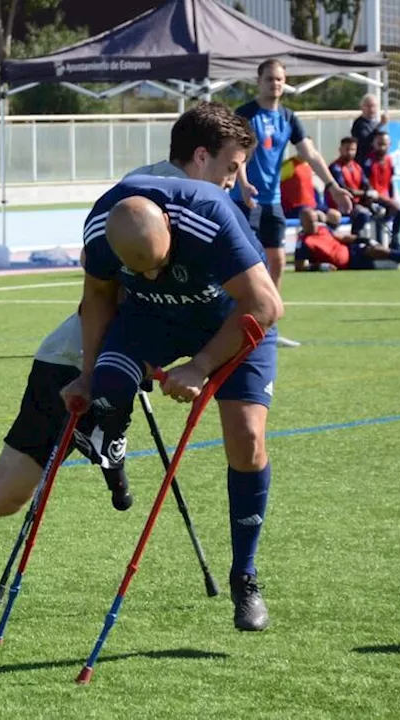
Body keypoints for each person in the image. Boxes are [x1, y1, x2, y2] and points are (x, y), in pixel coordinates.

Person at [0, 102, 258, 638]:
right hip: (74, 362)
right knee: (7, 490)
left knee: (4, 492)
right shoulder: (154, 203)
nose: (234, 183)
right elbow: (111, 301)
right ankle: (107, 443)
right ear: (201, 157)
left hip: (86, 356)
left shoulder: (161, 189)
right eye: (230, 170)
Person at [67, 175, 283, 633]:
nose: (148, 274)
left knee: (246, 438)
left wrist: (201, 366)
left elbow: (265, 304)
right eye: (138, 269)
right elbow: (98, 297)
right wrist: (86, 376)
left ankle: (244, 575)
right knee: (106, 386)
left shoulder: (208, 217)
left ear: (169, 225)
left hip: (231, 318)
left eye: (157, 264)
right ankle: (112, 437)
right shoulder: (101, 227)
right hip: (153, 318)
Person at [233, 58, 352, 349]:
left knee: (276, 262)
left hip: (272, 203)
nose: (275, 84)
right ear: (258, 81)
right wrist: (243, 184)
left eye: (279, 80)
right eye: (270, 79)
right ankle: (233, 326)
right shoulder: (245, 114)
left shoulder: (288, 118)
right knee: (243, 266)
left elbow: (310, 154)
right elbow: (234, 153)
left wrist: (333, 187)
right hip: (244, 201)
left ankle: (267, 327)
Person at [291, 208, 400, 271]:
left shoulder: (322, 229)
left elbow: (341, 238)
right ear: (302, 223)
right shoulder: (304, 242)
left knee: (378, 250)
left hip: (351, 251)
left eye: (314, 220)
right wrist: (319, 267)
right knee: (393, 263)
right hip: (350, 263)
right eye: (310, 221)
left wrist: (363, 239)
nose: (314, 224)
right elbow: (300, 266)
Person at [359, 131, 400, 248]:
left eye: (384, 144)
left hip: (385, 199)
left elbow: (390, 182)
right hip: (372, 198)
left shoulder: (389, 160)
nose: (382, 147)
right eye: (379, 144)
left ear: (389, 144)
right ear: (374, 144)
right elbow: (365, 185)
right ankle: (379, 246)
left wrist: (392, 198)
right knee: (382, 212)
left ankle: (396, 242)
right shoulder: (367, 162)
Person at [327, 137, 374, 237]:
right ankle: (354, 239)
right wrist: (365, 193)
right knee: (363, 214)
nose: (350, 152)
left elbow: (366, 184)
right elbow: (344, 189)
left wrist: (370, 192)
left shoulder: (357, 167)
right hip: (340, 205)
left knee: (378, 210)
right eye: (347, 149)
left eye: (353, 149)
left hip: (356, 204)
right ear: (340, 150)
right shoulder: (335, 167)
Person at [350, 93, 388, 166]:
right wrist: (380, 125)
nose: (371, 109)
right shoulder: (359, 123)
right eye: (368, 106)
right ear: (362, 107)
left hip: (376, 161)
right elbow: (365, 141)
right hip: (364, 161)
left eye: (374, 106)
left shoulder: (374, 123)